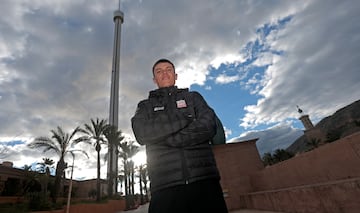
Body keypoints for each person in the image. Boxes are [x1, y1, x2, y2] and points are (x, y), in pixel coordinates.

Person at [131, 58, 228, 213]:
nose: (164, 73)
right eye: (159, 71)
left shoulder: (193, 97)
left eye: (168, 69)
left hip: (204, 181)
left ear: (176, 75)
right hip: (164, 186)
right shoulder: (145, 106)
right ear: (154, 79)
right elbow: (142, 133)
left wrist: (166, 139)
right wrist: (188, 118)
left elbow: (208, 124)